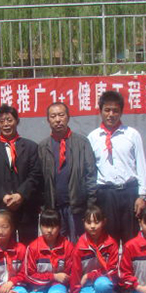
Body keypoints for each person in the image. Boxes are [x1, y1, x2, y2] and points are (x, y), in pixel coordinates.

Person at [88, 90, 146, 245]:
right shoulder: (93, 137)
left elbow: (141, 166)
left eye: (115, 111)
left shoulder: (132, 134)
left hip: (129, 193)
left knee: (131, 241)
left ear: (121, 112)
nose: (111, 114)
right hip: (105, 195)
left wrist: (142, 196)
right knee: (109, 241)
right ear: (100, 111)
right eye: (107, 110)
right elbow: (90, 171)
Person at [0, 105, 43, 244]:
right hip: (1, 206)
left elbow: (35, 174)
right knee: (4, 247)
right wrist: (4, 196)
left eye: (9, 120)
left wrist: (20, 195)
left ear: (17, 121)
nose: (6, 124)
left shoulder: (30, 146)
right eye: (2, 121)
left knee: (28, 246)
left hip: (26, 206)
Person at [38, 102, 97, 243]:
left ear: (68, 117)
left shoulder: (82, 143)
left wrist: (91, 204)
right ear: (48, 120)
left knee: (79, 244)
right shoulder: (43, 147)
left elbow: (91, 174)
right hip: (54, 207)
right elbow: (39, 179)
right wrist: (44, 207)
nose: (58, 120)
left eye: (61, 115)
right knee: (59, 245)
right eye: (53, 116)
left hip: (77, 206)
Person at [69, 205, 118, 293]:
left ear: (104, 222)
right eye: (89, 222)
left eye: (96, 222)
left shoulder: (111, 243)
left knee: (104, 284)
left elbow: (112, 269)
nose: (92, 226)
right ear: (83, 222)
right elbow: (75, 276)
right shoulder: (79, 246)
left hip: (102, 280)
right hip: (85, 285)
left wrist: (91, 275)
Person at [25, 208, 74, 293]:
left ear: (60, 227)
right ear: (40, 226)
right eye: (46, 226)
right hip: (38, 289)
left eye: (53, 226)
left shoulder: (67, 246)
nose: (49, 230)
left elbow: (71, 272)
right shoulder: (33, 247)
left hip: (57, 288)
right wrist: (53, 276)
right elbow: (29, 275)